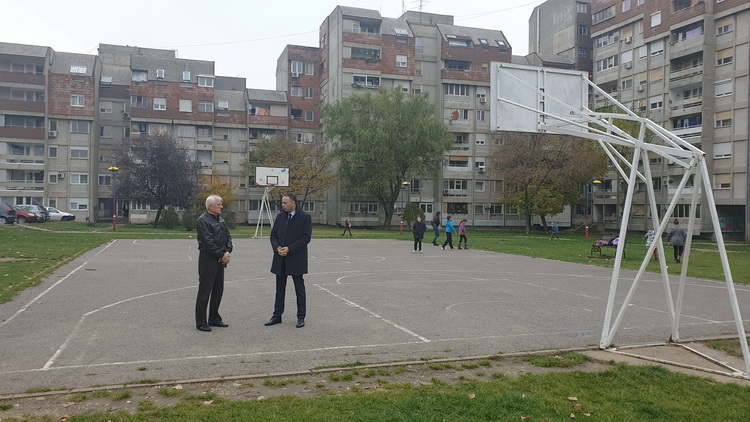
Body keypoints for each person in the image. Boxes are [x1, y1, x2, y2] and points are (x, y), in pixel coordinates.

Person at [266, 193, 312, 328]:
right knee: (279, 289)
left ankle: (301, 317)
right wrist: (277, 248)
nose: (283, 205)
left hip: (296, 258)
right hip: (280, 258)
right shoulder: (280, 217)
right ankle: (277, 316)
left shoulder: (304, 217)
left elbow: (306, 238)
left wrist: (289, 249)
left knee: (299, 288)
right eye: (282, 203)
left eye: (285, 203)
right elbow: (273, 235)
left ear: (293, 203)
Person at [195, 195, 233, 332]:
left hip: (220, 259)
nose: (221, 206)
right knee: (205, 291)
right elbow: (207, 242)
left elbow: (228, 237)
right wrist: (221, 255)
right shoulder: (203, 220)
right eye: (219, 204)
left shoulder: (220, 220)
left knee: (218, 290)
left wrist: (227, 252)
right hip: (208, 260)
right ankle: (201, 322)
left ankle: (214, 318)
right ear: (210, 206)